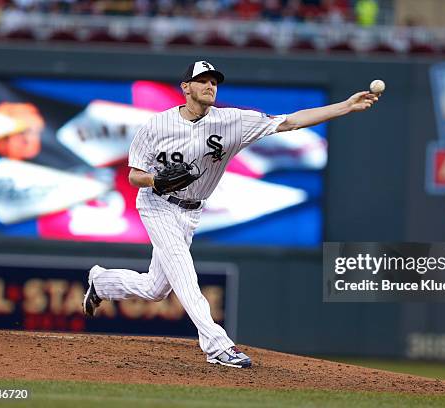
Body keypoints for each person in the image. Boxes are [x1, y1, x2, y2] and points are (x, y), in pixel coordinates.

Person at [82, 60, 380, 368]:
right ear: (186, 88)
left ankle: (102, 282)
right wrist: (156, 180)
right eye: (203, 80)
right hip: (157, 205)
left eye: (214, 81)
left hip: (191, 213)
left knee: (156, 288)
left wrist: (344, 106)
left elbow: (290, 122)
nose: (210, 85)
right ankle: (217, 345)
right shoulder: (156, 125)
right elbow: (134, 175)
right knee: (184, 274)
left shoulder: (233, 122)